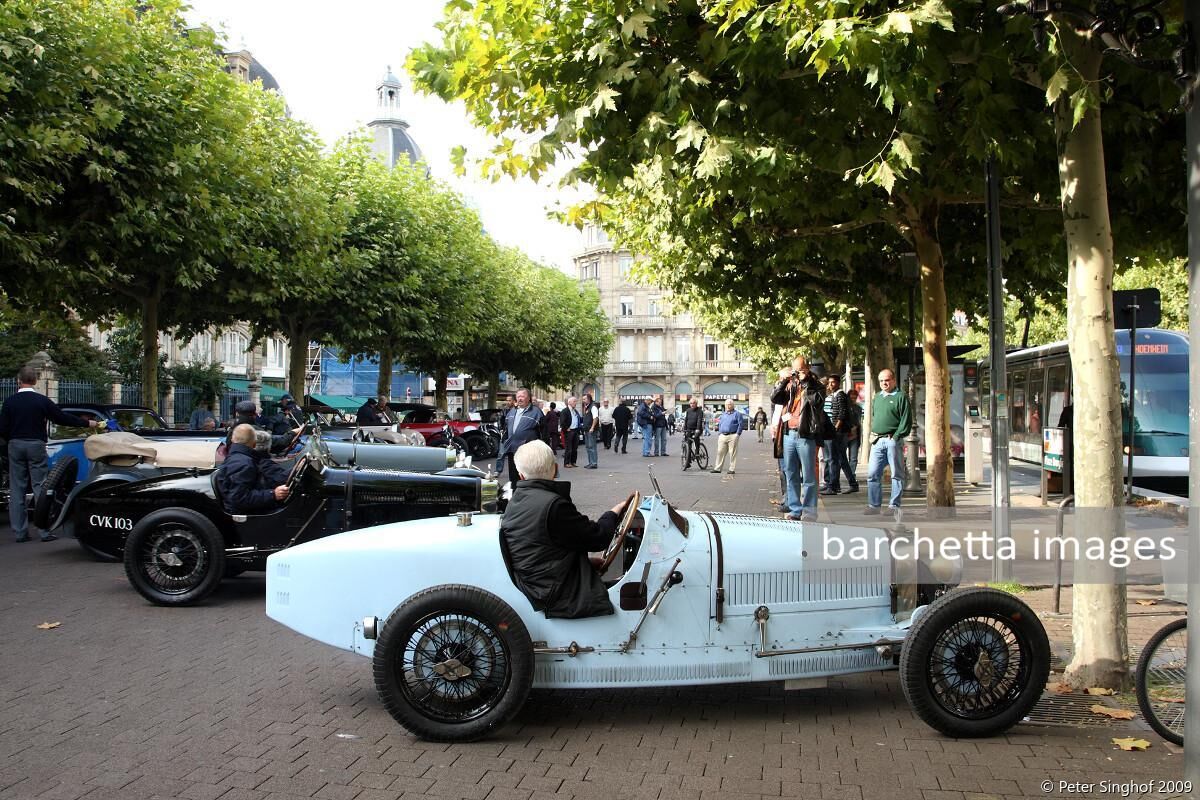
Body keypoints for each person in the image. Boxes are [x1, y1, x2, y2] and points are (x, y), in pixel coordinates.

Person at [499, 440, 626, 619]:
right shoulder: (553, 506)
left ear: (520, 475)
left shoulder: (518, 501)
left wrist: (586, 563)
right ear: (555, 468)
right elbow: (598, 538)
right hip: (555, 592)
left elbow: (547, 545)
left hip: (538, 582)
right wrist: (614, 512)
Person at [0, 366, 98, 542]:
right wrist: (88, 423)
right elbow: (61, 418)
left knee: (17, 489)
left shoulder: (9, 402)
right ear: (35, 381)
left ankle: (20, 533)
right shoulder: (41, 401)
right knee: (41, 487)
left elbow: (3, 428)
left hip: (15, 444)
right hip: (36, 444)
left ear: (18, 381)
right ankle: (44, 530)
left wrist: (10, 440)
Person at [771, 356, 826, 522]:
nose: (798, 373)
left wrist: (806, 382)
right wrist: (783, 381)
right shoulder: (791, 384)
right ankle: (795, 509)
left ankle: (809, 511)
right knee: (791, 473)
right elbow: (776, 398)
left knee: (808, 475)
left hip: (805, 433)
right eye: (796, 370)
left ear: (807, 368)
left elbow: (817, 401)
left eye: (801, 369)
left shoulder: (816, 385)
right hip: (789, 434)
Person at [865, 368, 913, 521]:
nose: (884, 383)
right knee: (872, 473)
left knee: (896, 474)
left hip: (893, 440)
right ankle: (874, 505)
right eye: (881, 381)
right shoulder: (877, 397)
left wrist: (897, 436)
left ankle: (894, 505)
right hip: (877, 440)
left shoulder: (901, 397)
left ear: (893, 380)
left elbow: (906, 420)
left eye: (887, 380)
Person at [217, 424, 291, 514]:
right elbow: (238, 498)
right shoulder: (244, 463)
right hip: (247, 513)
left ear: (232, 440)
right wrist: (273, 494)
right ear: (254, 444)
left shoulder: (238, 459)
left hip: (251, 507)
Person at [498, 388, 544, 483]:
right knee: (514, 478)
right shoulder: (511, 412)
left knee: (527, 476)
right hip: (512, 451)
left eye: (522, 396)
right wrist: (505, 440)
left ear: (529, 398)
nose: (520, 399)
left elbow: (544, 432)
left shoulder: (536, 412)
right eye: (518, 396)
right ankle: (515, 495)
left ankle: (527, 495)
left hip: (528, 452)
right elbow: (506, 429)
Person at [820, 376, 852, 495]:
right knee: (833, 458)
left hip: (835, 431)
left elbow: (842, 413)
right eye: (829, 383)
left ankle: (833, 485)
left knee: (833, 458)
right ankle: (830, 483)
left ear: (838, 383)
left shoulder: (840, 395)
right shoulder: (833, 395)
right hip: (830, 430)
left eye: (833, 382)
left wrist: (835, 427)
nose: (831, 385)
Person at [711, 399, 746, 475]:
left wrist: (737, 434)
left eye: (730, 404)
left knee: (732, 453)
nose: (728, 406)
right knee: (720, 452)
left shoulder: (737, 414)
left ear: (733, 405)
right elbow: (720, 423)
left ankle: (731, 469)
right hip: (722, 435)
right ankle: (717, 468)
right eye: (726, 404)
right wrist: (720, 433)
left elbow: (741, 424)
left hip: (733, 435)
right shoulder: (723, 414)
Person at [843, 388, 863, 488]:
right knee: (843, 456)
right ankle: (849, 475)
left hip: (855, 435)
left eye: (855, 397)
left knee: (853, 457)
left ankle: (852, 474)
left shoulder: (858, 408)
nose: (853, 399)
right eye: (851, 397)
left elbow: (859, 421)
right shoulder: (845, 408)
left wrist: (855, 428)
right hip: (845, 434)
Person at [559, 396, 581, 468]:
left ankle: (573, 462)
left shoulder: (575, 411)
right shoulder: (565, 411)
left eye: (576, 401)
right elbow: (562, 422)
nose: (576, 403)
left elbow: (578, 419)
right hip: (569, 431)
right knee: (569, 448)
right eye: (574, 401)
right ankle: (566, 463)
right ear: (569, 402)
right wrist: (566, 428)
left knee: (575, 448)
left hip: (575, 431)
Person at [580, 394, 599, 469]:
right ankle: (590, 462)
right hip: (587, 430)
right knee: (588, 447)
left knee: (592, 446)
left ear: (588, 399)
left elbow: (595, 418)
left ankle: (594, 463)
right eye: (583, 399)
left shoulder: (593, 406)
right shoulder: (586, 407)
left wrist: (592, 427)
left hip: (591, 430)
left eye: (584, 399)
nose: (583, 400)